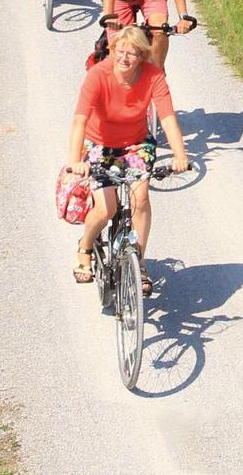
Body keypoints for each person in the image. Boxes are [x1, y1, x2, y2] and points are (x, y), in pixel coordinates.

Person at [65, 24, 191, 295]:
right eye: (120, 51)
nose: (125, 58)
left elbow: (167, 116)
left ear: (143, 56)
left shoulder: (152, 75)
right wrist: (76, 160)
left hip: (135, 144)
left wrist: (180, 154)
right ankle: (85, 247)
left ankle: (140, 262)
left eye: (132, 53)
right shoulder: (97, 75)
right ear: (112, 51)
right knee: (106, 208)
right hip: (99, 144)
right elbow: (79, 120)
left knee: (141, 197)